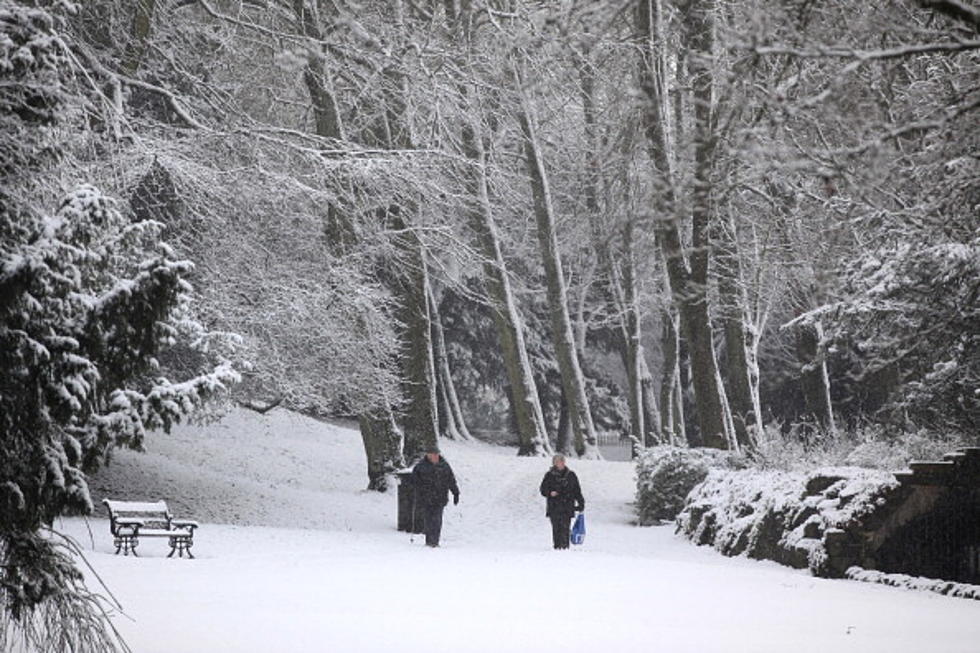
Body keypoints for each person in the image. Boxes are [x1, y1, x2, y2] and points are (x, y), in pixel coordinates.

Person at [411, 446, 460, 548]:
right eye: (433, 454)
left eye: (437, 454)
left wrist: (456, 493)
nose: (436, 456)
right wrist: (418, 490)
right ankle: (429, 541)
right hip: (426, 498)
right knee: (428, 519)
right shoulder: (421, 467)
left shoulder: (444, 466)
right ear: (428, 455)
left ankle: (435, 541)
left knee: (437, 520)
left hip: (440, 498)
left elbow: (451, 480)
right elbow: (414, 481)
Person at [539, 454, 584, 550]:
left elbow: (577, 490)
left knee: (565, 528)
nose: (560, 463)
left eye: (561, 461)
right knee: (556, 528)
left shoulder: (571, 475)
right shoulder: (549, 475)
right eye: (557, 462)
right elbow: (543, 489)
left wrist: (581, 503)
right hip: (554, 506)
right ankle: (557, 547)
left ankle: (565, 547)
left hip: (567, 505)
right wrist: (550, 493)